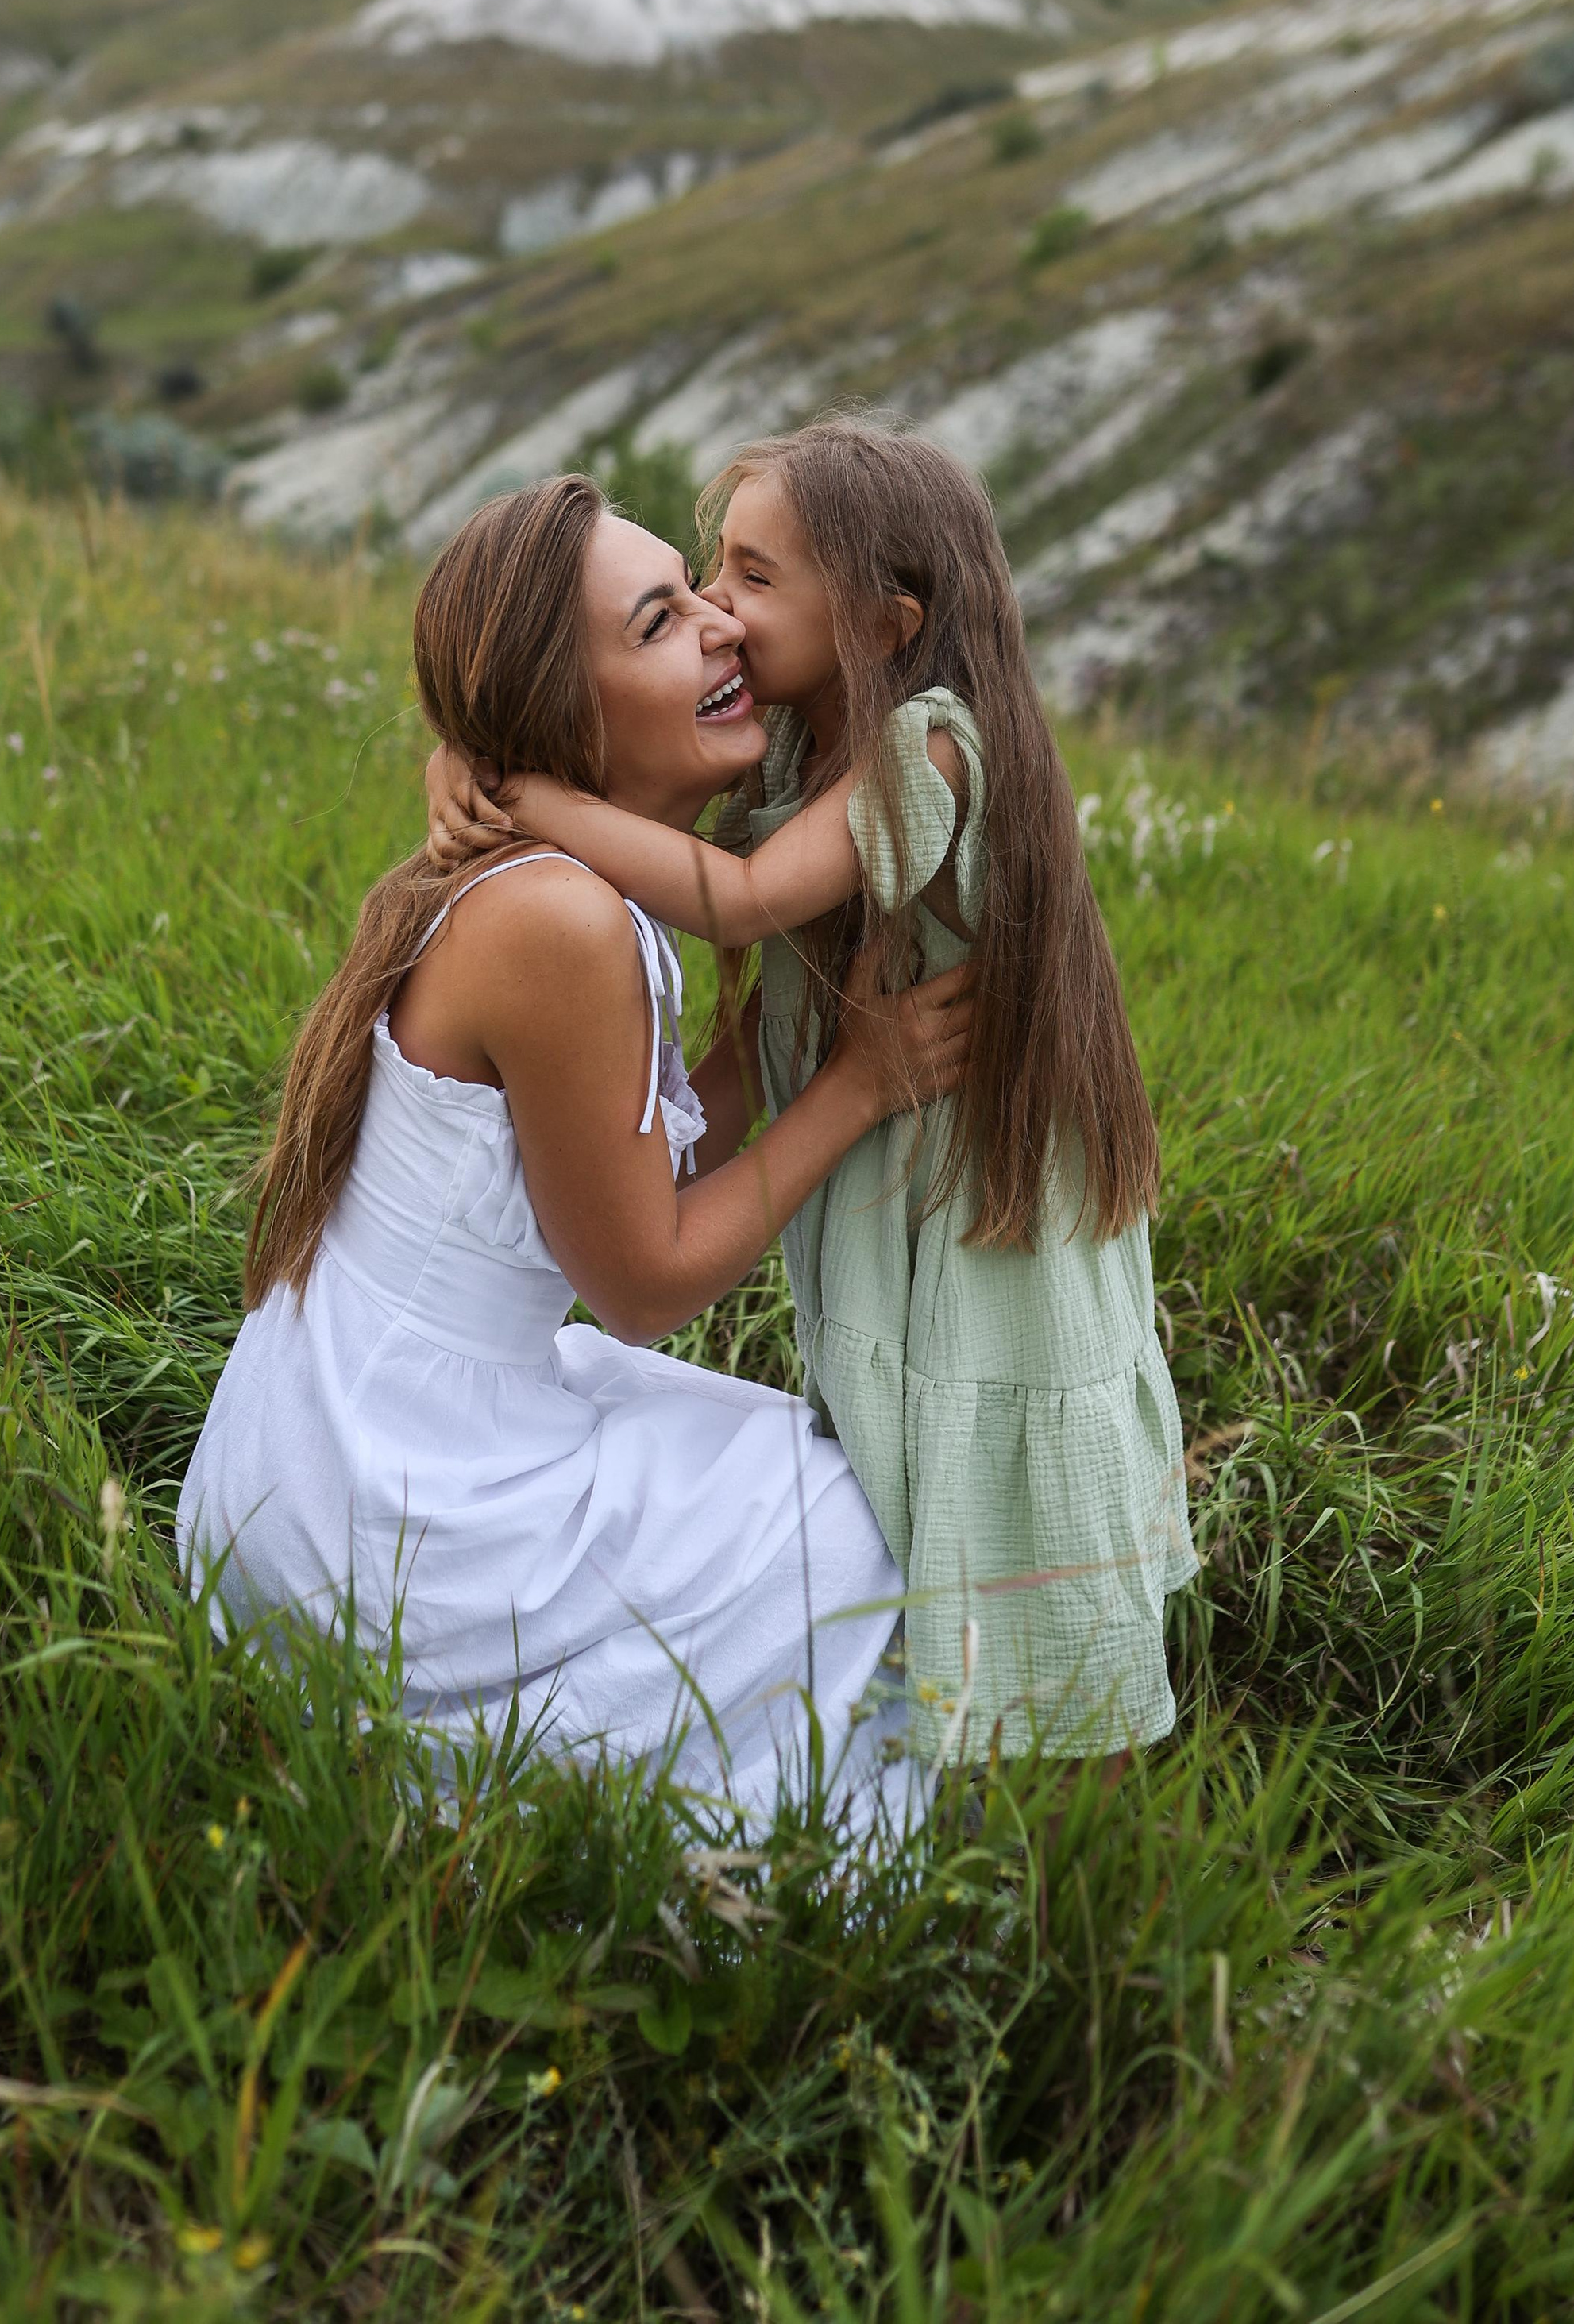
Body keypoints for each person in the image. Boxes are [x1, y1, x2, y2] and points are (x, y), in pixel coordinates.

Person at [178, 472, 975, 1824]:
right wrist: (861, 1082)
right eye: (663, 621)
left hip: (353, 1437)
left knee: (819, 1460)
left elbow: (637, 1143)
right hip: (384, 1509)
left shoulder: (578, 892)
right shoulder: (561, 921)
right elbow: (644, 1280)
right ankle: (737, 1844)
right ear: (569, 710)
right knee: (849, 1520)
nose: (725, 625)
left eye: (707, 588)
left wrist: (794, 1009)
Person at [428, 415, 1194, 1764]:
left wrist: (530, 796)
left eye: (754, 580)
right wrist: (477, 748)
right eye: (716, 571)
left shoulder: (935, 748)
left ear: (888, 624)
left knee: (1005, 1460)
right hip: (890, 1157)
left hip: (976, 1190)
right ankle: (918, 1723)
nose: (720, 611)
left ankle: (1075, 1775)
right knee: (901, 1449)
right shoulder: (804, 735)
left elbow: (734, 897)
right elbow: (654, 806)